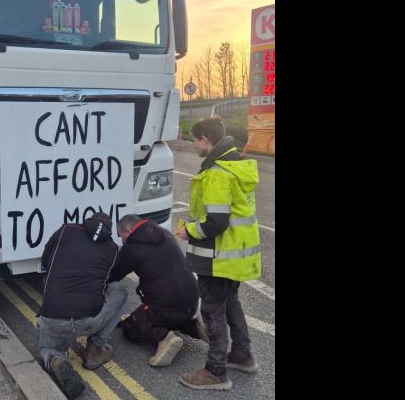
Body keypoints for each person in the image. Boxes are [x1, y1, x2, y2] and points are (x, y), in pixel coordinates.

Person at [176, 117, 262, 391]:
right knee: (231, 303)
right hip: (235, 254)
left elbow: (215, 222)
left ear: (205, 140)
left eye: (194, 139)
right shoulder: (236, 166)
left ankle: (215, 372)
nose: (193, 145)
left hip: (218, 256)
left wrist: (188, 231)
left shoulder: (216, 173)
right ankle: (242, 355)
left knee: (212, 311)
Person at [37, 212, 126, 398]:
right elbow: (109, 279)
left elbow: (46, 260)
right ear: (110, 231)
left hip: (53, 317)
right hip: (89, 319)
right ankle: (96, 348)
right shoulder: (112, 248)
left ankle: (55, 360)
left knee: (48, 348)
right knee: (119, 290)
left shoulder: (66, 230)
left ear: (87, 222)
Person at [109, 214, 207, 367]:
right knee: (167, 312)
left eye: (120, 235)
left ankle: (163, 337)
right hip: (192, 301)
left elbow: (114, 274)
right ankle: (193, 327)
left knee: (130, 328)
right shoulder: (164, 233)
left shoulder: (132, 247)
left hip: (166, 307)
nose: (121, 240)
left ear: (128, 231)